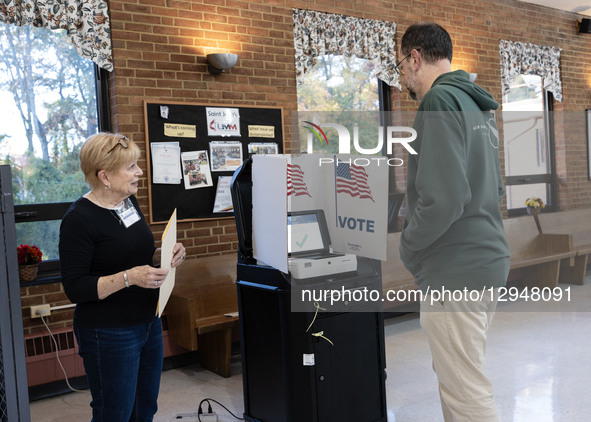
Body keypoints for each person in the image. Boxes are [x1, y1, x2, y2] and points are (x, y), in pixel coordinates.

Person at [397, 23, 511, 422]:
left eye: (401, 67)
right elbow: (495, 187)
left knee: (467, 393)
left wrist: (408, 246)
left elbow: (444, 198)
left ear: (415, 58)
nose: (403, 80)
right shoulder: (476, 104)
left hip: (455, 268)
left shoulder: (437, 102)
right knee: (458, 377)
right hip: (487, 260)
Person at [59, 132, 187, 422]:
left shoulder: (128, 203)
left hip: (148, 323)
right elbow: (76, 287)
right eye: (131, 167)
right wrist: (129, 278)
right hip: (109, 332)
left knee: (144, 409)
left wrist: (162, 256)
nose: (140, 172)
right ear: (104, 176)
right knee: (114, 413)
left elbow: (135, 255)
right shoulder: (78, 219)